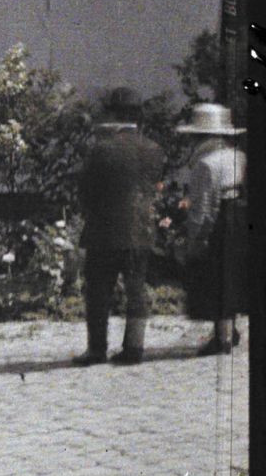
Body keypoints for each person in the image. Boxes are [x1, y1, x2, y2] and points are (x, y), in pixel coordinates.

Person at [75, 88, 165, 366]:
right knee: (136, 289)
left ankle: (97, 349)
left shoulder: (100, 149)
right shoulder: (153, 149)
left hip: (104, 230)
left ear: (113, 114)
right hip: (140, 229)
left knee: (98, 291)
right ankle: (134, 347)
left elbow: (85, 190)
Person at [174, 103, 246, 356]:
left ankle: (222, 337)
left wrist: (195, 237)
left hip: (219, 220)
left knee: (216, 277)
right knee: (233, 273)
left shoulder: (205, 163)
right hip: (241, 215)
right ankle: (231, 330)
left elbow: (202, 205)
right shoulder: (238, 155)